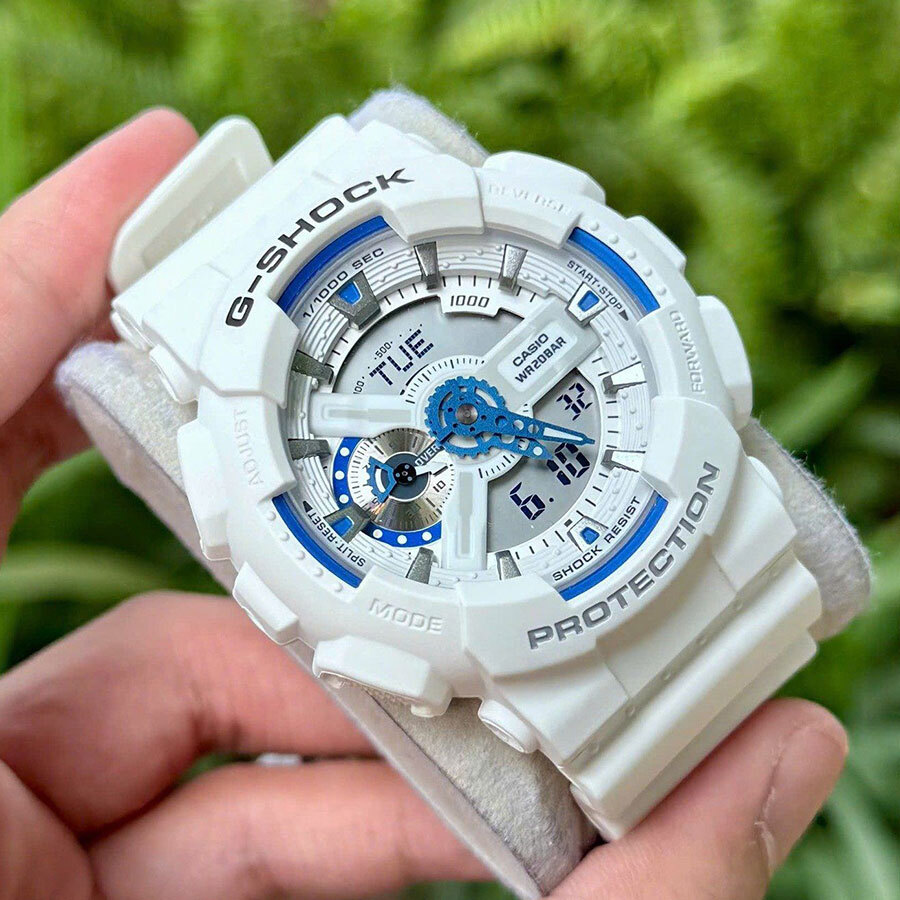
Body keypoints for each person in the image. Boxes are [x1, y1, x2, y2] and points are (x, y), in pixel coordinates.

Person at [0, 110, 848, 900]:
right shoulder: (239, 438)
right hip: (561, 665)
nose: (462, 418)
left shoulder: (401, 180)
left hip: (713, 530)